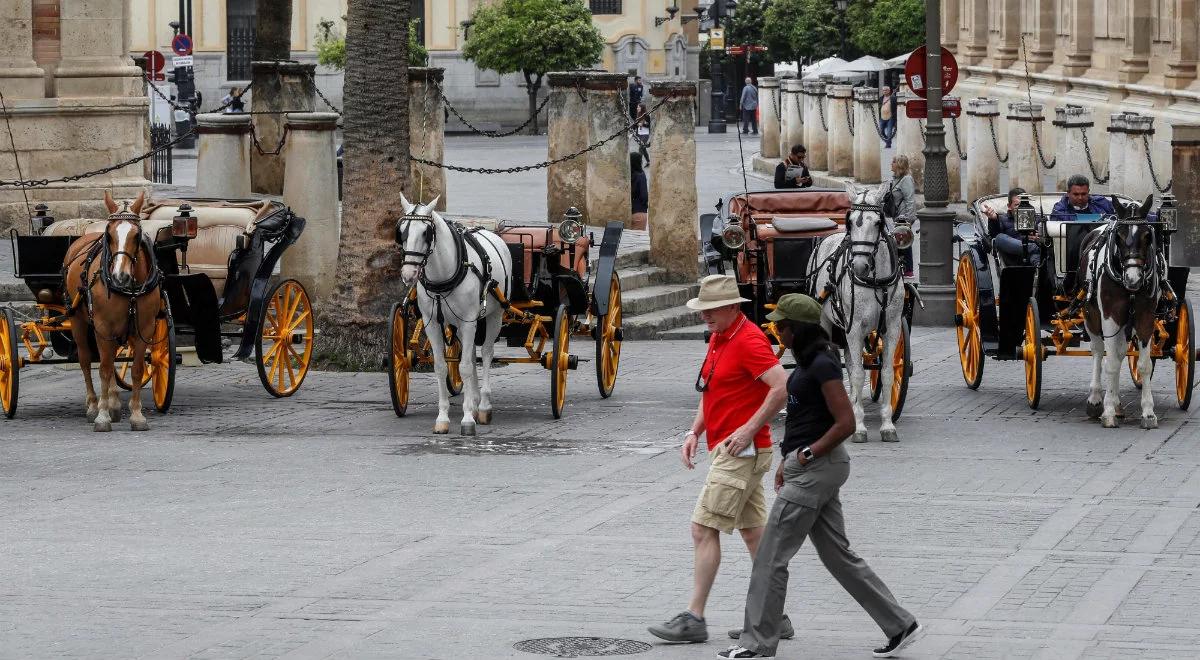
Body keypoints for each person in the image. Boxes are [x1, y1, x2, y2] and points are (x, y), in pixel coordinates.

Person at [719, 294, 923, 660]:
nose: (776, 331)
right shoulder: (810, 361)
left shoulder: (823, 365)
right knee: (838, 555)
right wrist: (788, 460)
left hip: (816, 470)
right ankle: (900, 624)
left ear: (797, 329)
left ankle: (757, 643)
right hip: (811, 467)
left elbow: (845, 422)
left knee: (770, 555)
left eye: (781, 326)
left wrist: (807, 455)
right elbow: (806, 419)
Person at [648, 274, 789, 645]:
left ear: (731, 307)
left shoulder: (748, 339)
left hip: (740, 452)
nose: (704, 317)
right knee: (753, 532)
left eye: (710, 310)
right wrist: (695, 430)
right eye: (701, 310)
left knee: (703, 528)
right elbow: (710, 388)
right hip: (733, 448)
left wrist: (748, 429)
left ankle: (694, 618)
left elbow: (781, 387)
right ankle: (776, 616)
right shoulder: (719, 336)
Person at [982, 187, 1042, 266]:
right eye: (1017, 205)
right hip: (1013, 257)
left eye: (1024, 204)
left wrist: (1039, 238)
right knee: (999, 238)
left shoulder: (1038, 219)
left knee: (1039, 250)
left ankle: (1038, 269)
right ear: (1009, 206)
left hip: (1034, 256)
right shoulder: (1002, 219)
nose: (1021, 208)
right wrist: (993, 220)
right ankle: (1031, 248)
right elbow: (993, 236)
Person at [889, 155, 917, 278]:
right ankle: (899, 270)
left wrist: (909, 221)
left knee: (904, 244)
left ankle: (908, 271)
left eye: (894, 162)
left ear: (899, 165)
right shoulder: (896, 179)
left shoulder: (906, 179)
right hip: (896, 218)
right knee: (898, 244)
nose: (891, 164)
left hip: (904, 218)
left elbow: (910, 200)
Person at [1050, 174, 1116, 220]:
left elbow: (1119, 211)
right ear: (1068, 193)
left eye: (1083, 194)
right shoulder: (1059, 210)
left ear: (1088, 192)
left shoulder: (1101, 202)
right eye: (1076, 194)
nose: (1080, 198)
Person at [631, 151, 648, 231]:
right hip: (639, 211)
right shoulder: (641, 175)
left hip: (630, 211)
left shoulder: (630, 175)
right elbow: (644, 195)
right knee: (637, 240)